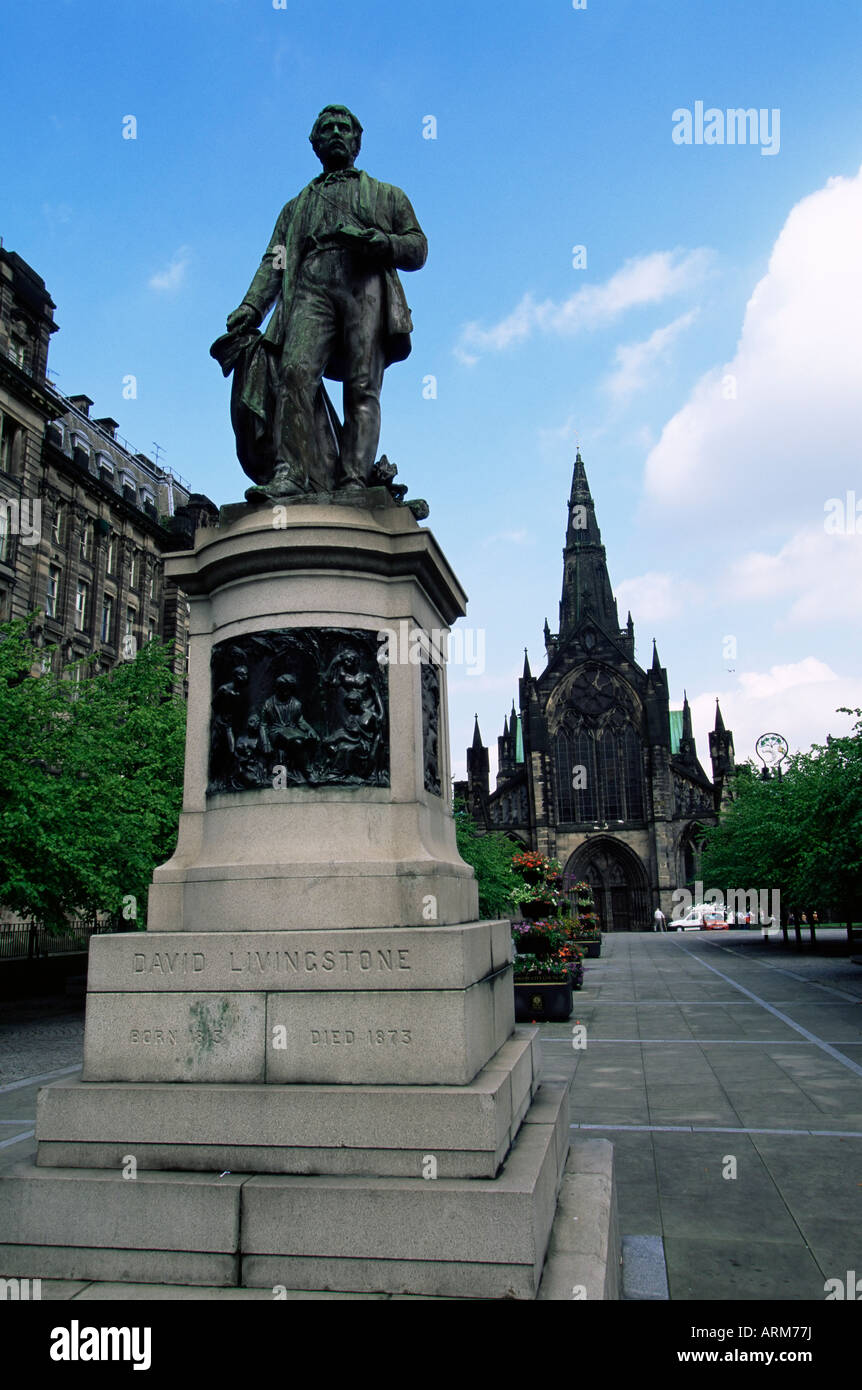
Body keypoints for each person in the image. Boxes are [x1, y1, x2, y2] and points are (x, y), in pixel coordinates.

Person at [221, 105, 427, 496]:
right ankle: (291, 474)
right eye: (327, 128)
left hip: (363, 283)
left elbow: (417, 247)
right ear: (315, 143)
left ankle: (353, 480)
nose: (336, 132)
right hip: (310, 285)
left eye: (344, 127)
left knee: (362, 385)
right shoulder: (295, 208)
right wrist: (252, 307)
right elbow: (276, 261)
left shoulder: (387, 195)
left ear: (356, 141)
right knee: (294, 373)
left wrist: (382, 242)